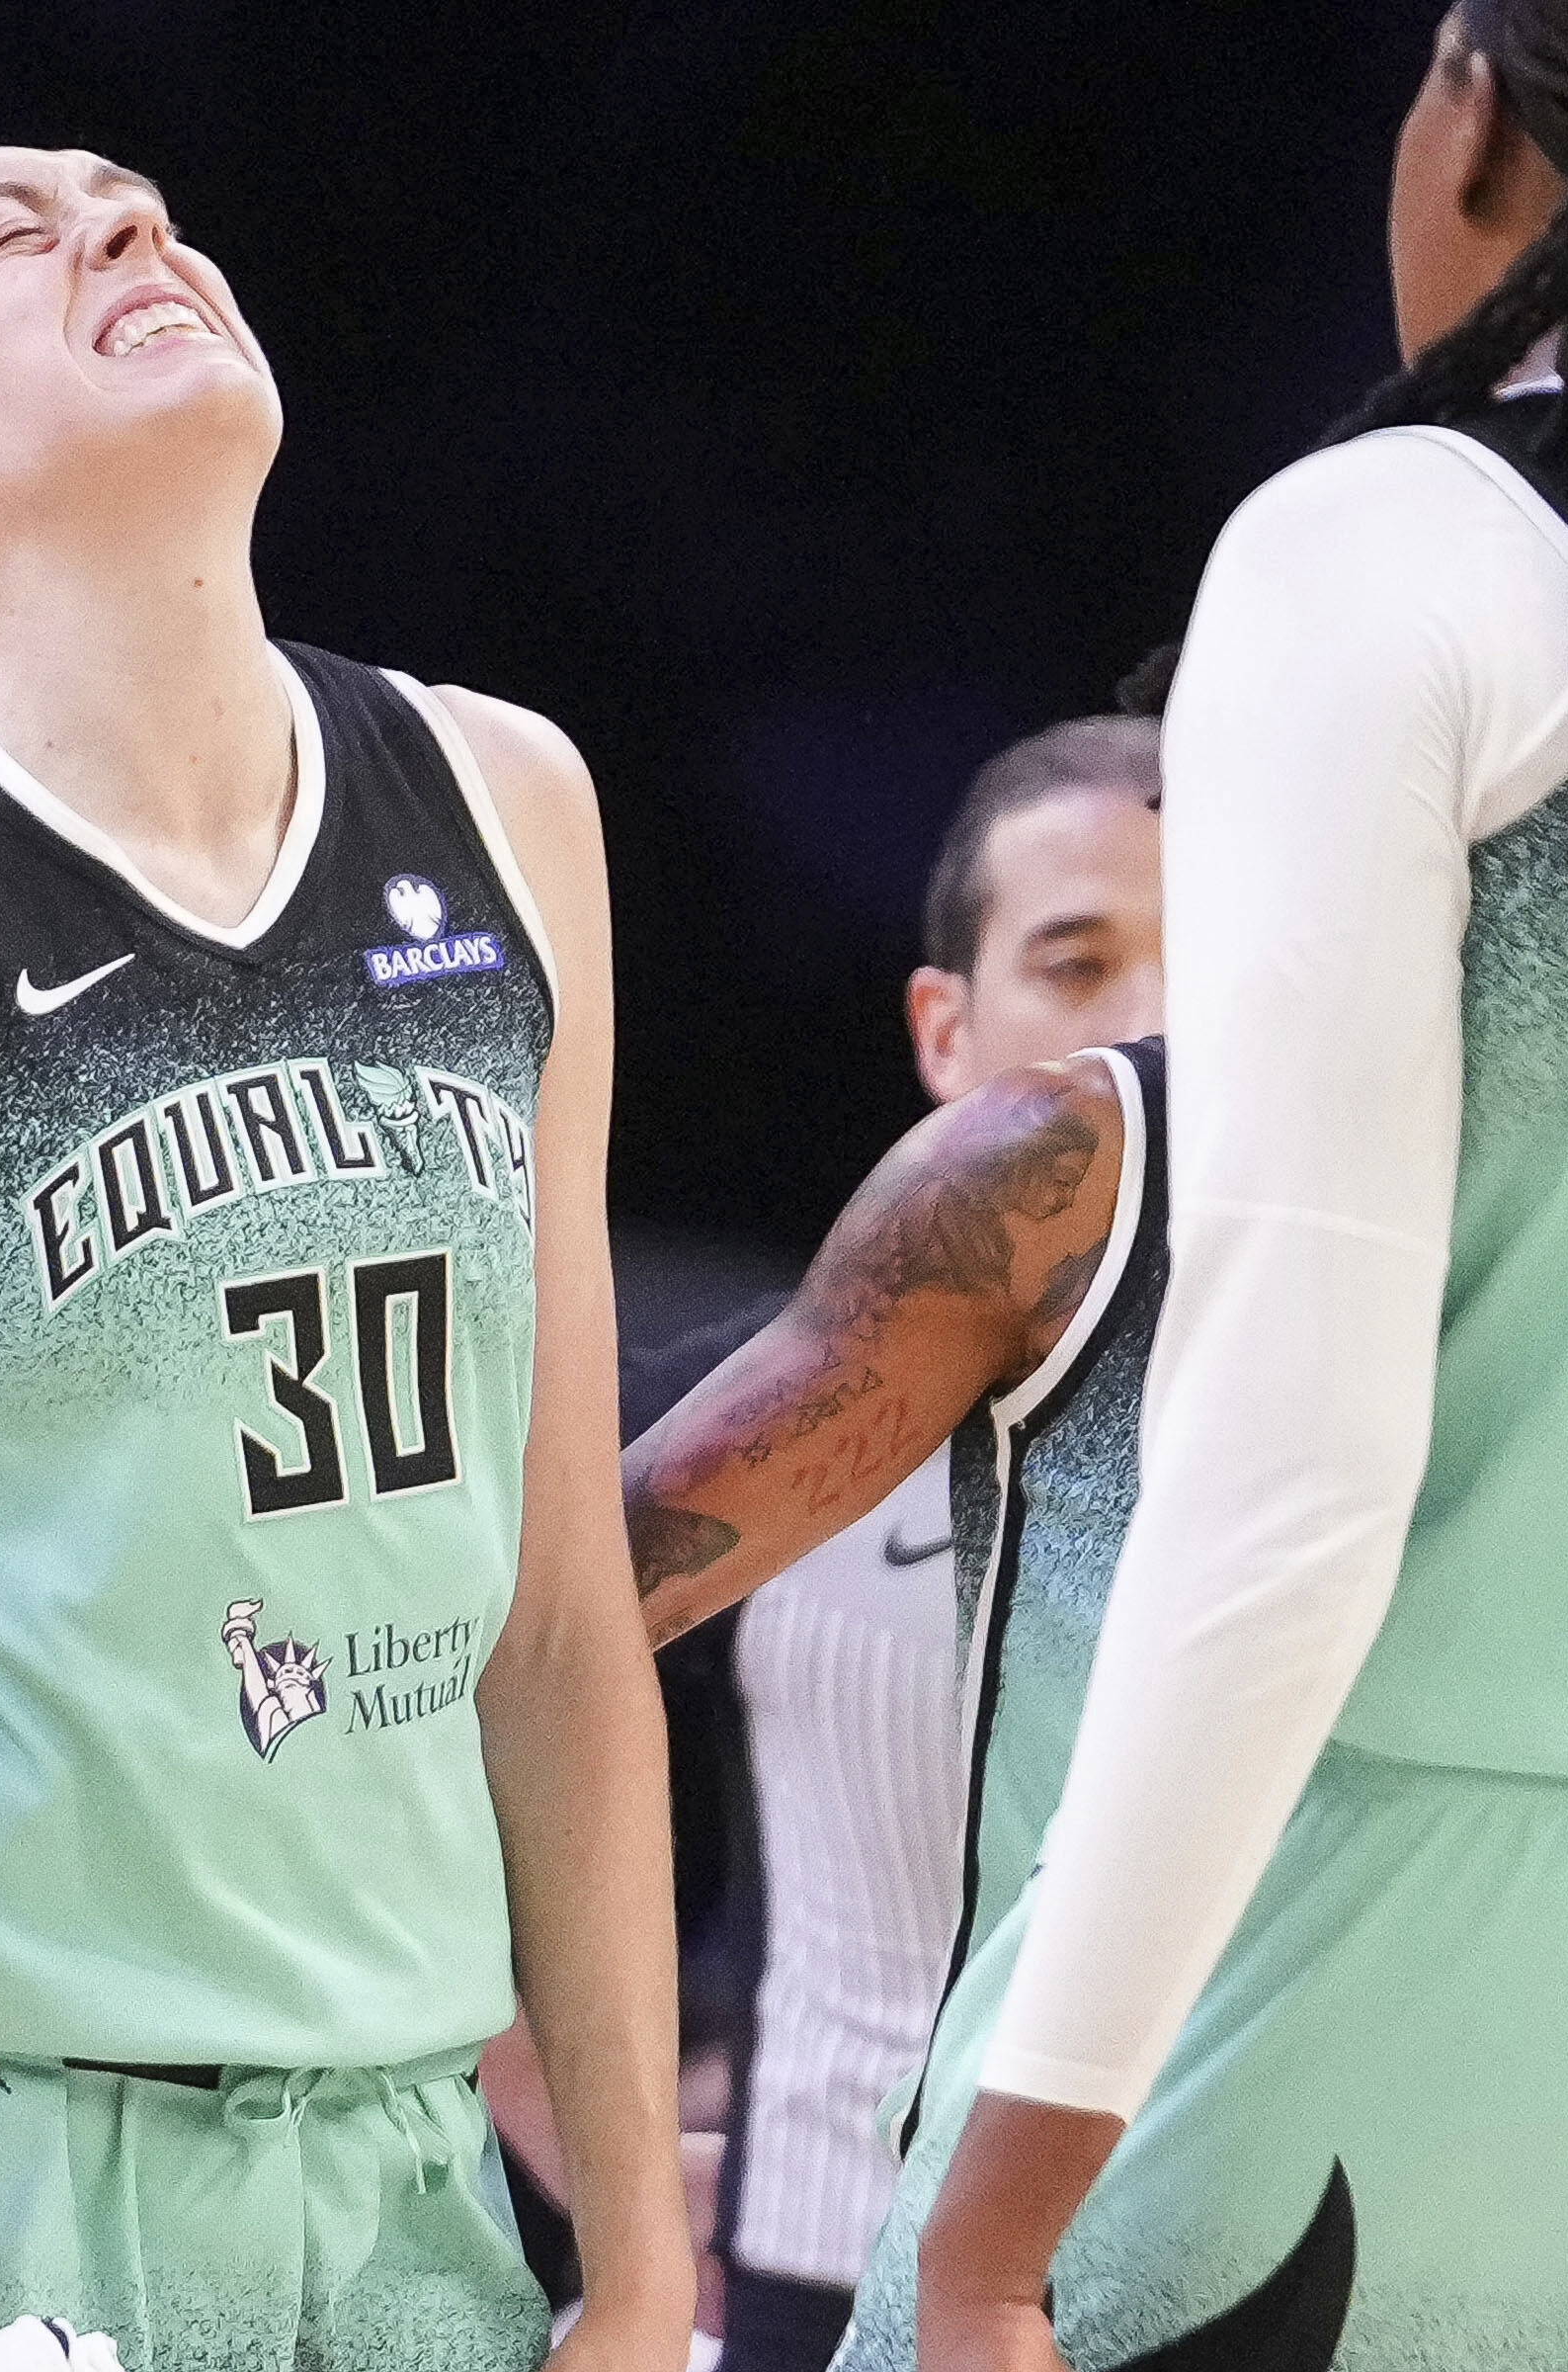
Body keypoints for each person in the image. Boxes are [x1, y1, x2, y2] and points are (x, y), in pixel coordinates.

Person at [880, 6, 1568, 2364]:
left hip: (1419, 1956)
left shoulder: (1391, 546)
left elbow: (1291, 1473)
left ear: (1472, 119)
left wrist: (989, 2237)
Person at [0, 146, 692, 2372]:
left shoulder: (509, 801)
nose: (125, 227)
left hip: (409, 2198)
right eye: (18, 230)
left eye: (142, 205)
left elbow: (557, 1623)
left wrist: (644, 2274)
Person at [609, 720, 1159, 2372]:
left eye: (1222, 966)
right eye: (1077, 964)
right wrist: (619, 2189)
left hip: (1252, 2261)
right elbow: (449, 1715)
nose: (1149, 1034)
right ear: (946, 1025)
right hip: (828, 2287)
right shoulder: (755, 1419)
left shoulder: (1411, 1404)